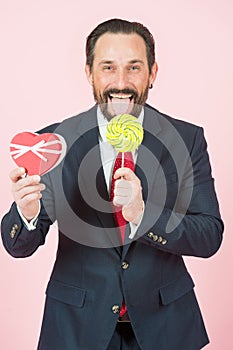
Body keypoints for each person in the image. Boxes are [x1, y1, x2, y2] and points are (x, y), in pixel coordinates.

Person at [1, 18, 223, 350]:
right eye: (108, 67)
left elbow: (209, 236)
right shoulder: (55, 142)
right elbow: (18, 246)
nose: (121, 83)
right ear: (89, 72)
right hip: (76, 330)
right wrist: (28, 213)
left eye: (134, 68)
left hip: (166, 329)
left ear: (153, 73)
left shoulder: (186, 139)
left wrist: (143, 214)